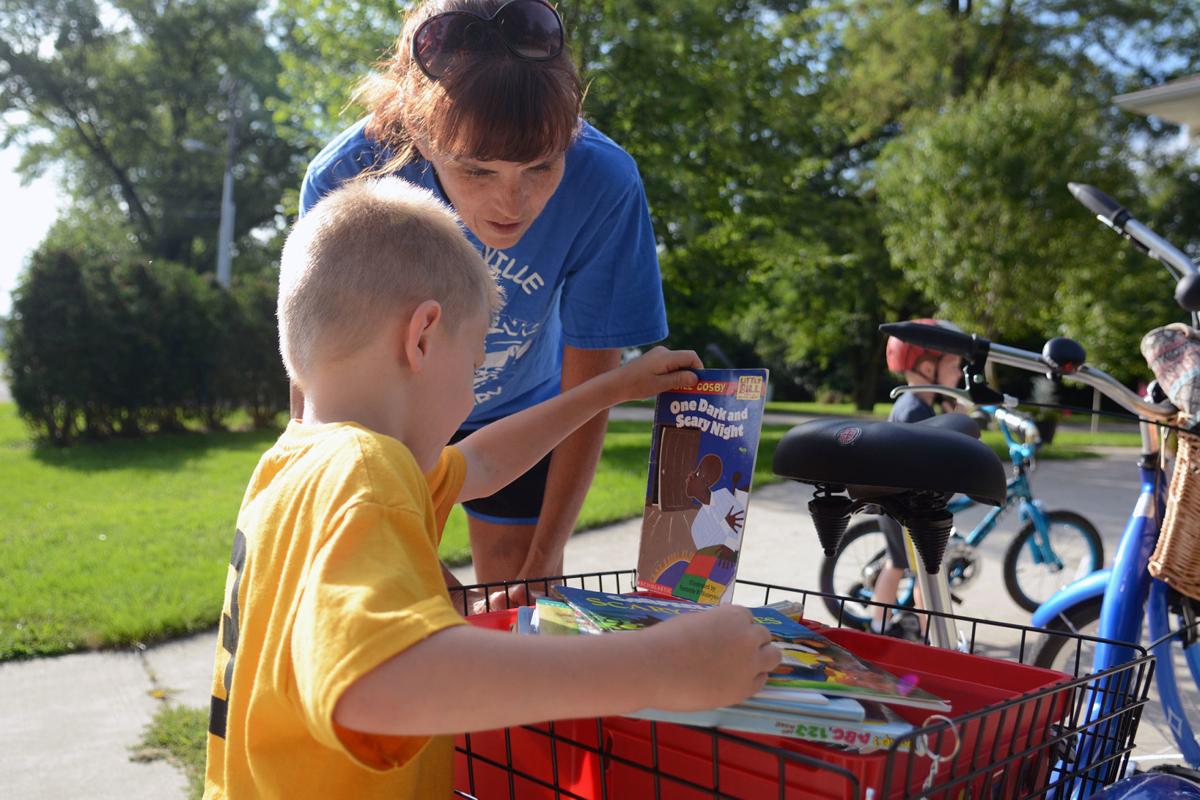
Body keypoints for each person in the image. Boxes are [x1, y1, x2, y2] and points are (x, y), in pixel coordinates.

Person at [201, 178, 781, 799]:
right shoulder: (362, 469)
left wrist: (612, 388)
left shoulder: (300, 464)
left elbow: (480, 463)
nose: (473, 394)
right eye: (476, 366)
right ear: (422, 337)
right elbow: (379, 683)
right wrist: (661, 667)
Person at [296, 0, 668, 585]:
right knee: (389, 589)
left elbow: (590, 380)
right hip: (390, 420)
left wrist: (545, 559)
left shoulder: (606, 181)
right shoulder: (348, 177)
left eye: (542, 167)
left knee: (517, 592)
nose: (511, 205)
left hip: (528, 412)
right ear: (419, 133)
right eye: (476, 171)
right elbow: (320, 381)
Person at [870, 319, 964, 637]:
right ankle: (933, 637)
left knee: (897, 565)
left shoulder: (914, 406)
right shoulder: (916, 413)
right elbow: (935, 464)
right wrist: (958, 422)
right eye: (954, 365)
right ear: (927, 368)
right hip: (907, 511)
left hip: (896, 507)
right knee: (926, 572)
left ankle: (878, 625)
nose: (960, 374)